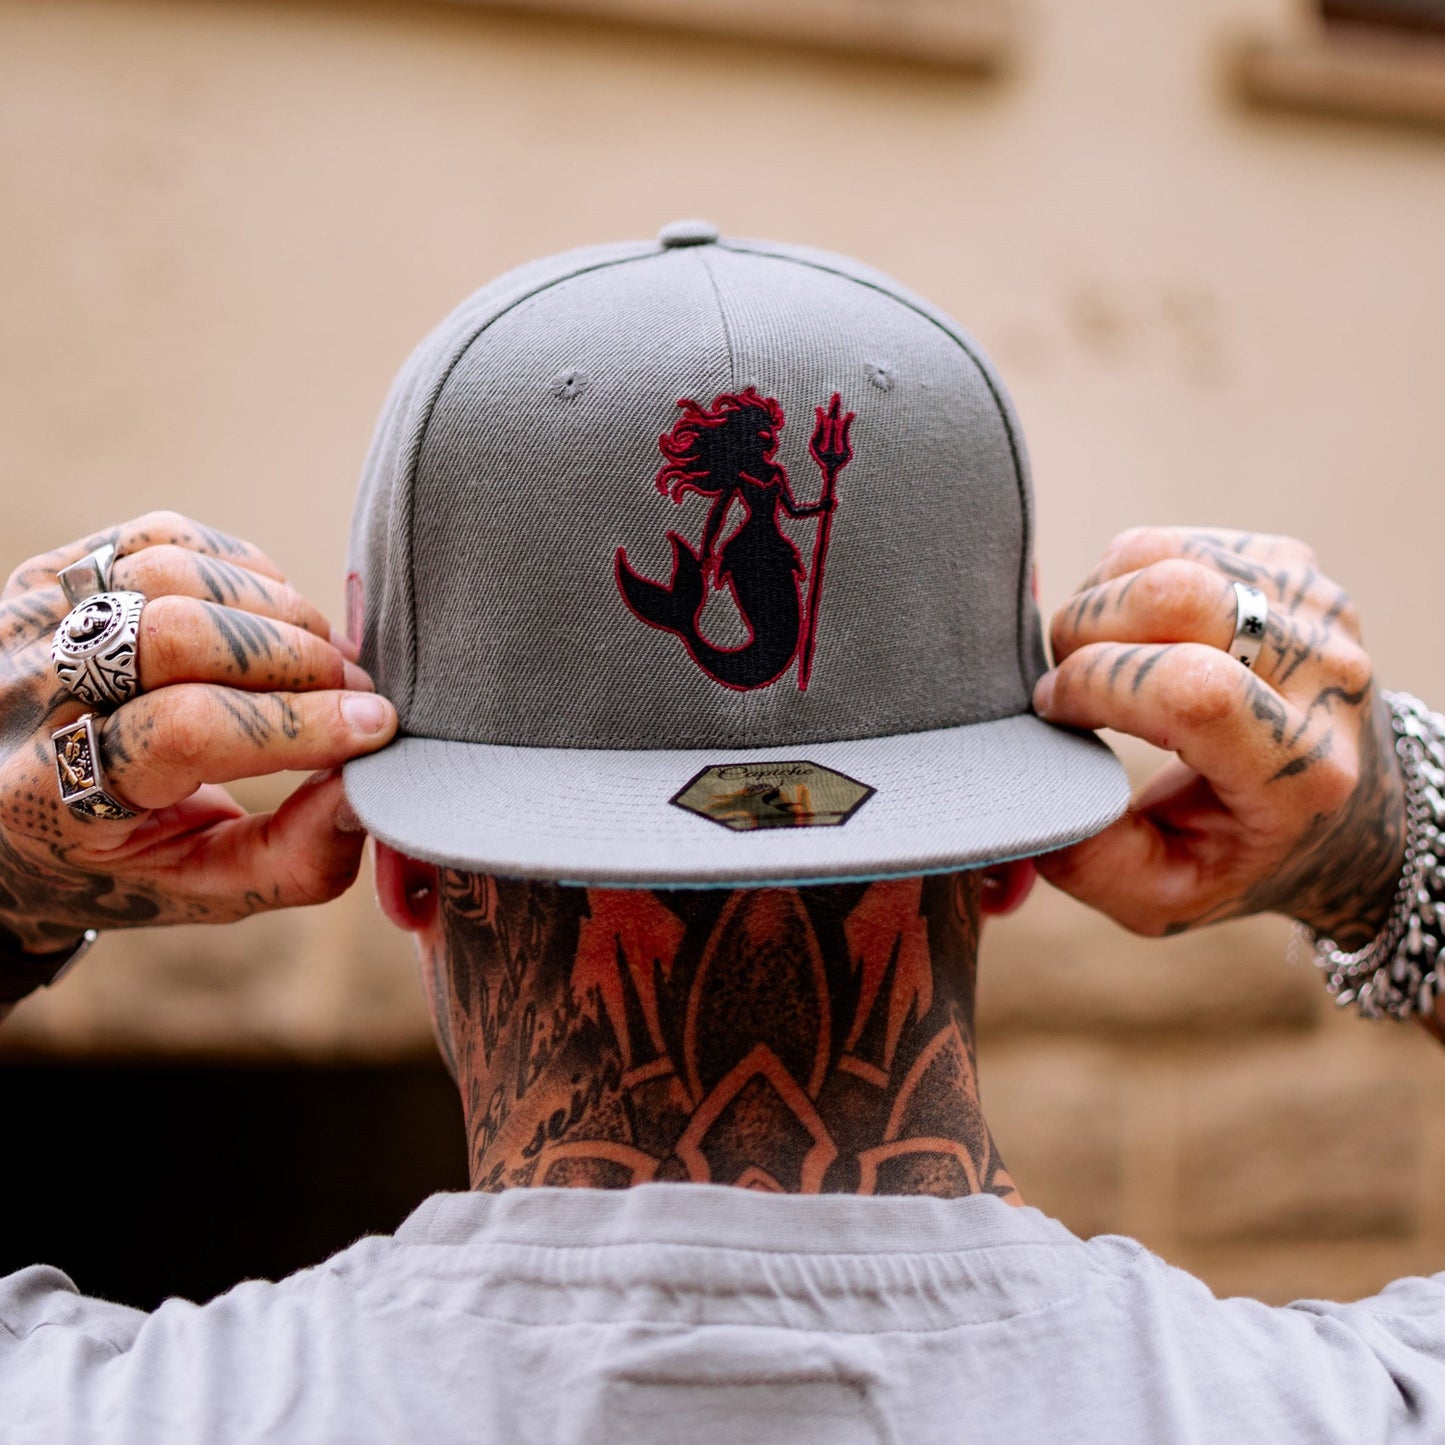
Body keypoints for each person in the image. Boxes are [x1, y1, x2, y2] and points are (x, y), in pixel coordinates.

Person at [1, 224, 1440, 1443]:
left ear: (405, 868)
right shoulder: (1346, 1414)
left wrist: (11, 880)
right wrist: (1389, 848)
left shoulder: (109, 1416)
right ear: (1011, 862)